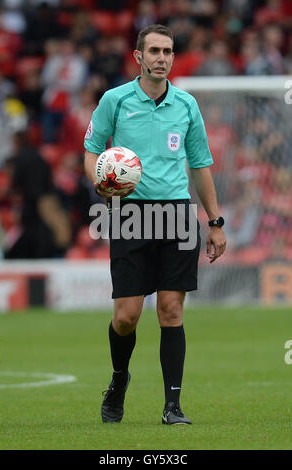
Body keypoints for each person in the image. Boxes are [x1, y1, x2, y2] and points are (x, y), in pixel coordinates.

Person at [84, 24, 226, 425]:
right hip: (131, 216)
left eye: (168, 51)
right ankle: (118, 380)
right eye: (155, 51)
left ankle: (173, 406)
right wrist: (101, 185)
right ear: (138, 57)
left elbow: (200, 166)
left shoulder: (186, 105)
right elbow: (92, 148)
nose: (162, 58)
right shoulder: (114, 100)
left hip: (179, 216)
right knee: (126, 316)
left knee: (171, 311)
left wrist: (215, 222)